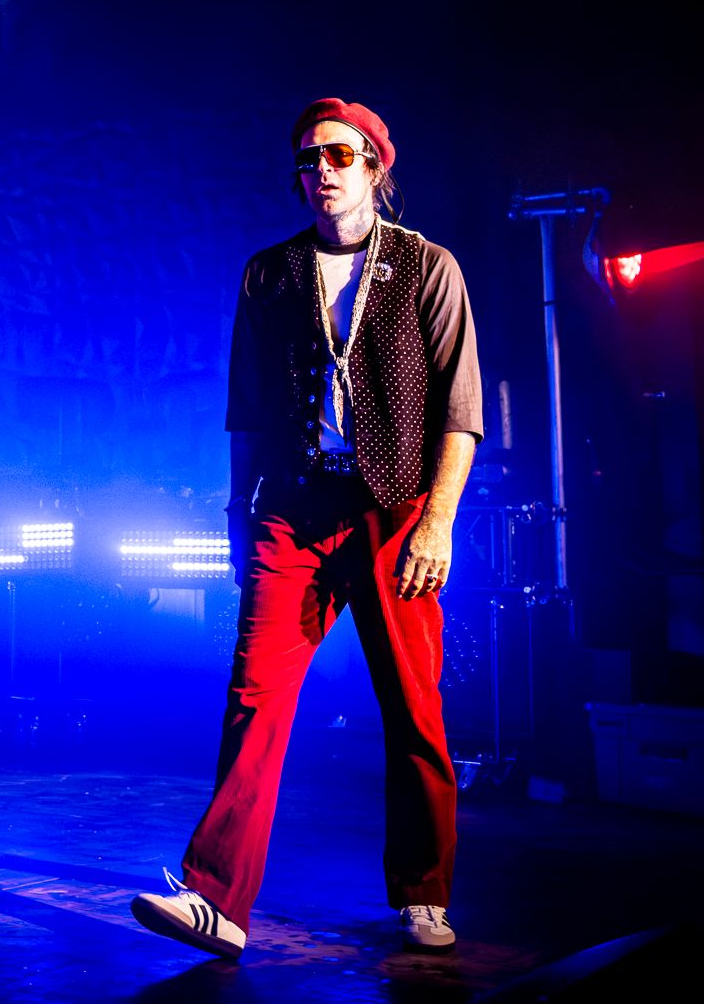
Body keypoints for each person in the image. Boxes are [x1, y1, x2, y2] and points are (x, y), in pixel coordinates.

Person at [132, 97, 481, 961]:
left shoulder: (427, 266)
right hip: (292, 512)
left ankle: (424, 891)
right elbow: (246, 411)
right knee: (254, 697)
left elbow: (459, 412)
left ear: (375, 167)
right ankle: (216, 899)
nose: (320, 169)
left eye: (338, 155)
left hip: (396, 512)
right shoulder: (271, 273)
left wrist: (437, 522)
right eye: (307, 158)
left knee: (415, 708)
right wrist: (235, 513)